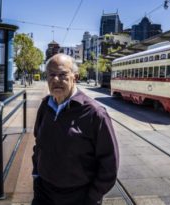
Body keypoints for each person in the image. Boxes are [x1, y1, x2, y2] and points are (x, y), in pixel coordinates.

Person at [32, 54, 119, 205]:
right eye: (51, 74)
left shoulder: (95, 113)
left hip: (79, 197)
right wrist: (36, 176)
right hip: (43, 193)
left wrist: (92, 197)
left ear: (75, 77)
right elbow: (38, 144)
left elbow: (109, 163)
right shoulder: (45, 106)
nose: (56, 80)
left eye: (63, 74)